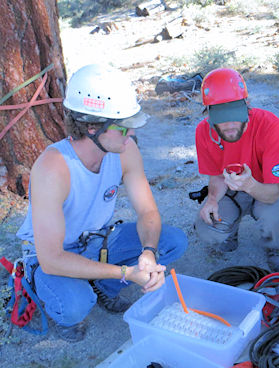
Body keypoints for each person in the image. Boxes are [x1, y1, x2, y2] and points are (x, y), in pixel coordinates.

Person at [16, 64, 188, 342]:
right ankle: (66, 304)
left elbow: (148, 212)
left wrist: (148, 252)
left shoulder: (124, 149)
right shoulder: (53, 168)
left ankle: (103, 287)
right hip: (51, 255)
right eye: (123, 127)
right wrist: (127, 272)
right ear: (92, 126)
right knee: (75, 305)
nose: (131, 135)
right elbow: (51, 259)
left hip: (96, 241)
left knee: (172, 241)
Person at [194, 68, 279, 272]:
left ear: (247, 106)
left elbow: (272, 194)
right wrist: (211, 200)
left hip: (264, 188)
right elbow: (216, 176)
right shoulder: (204, 131)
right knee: (206, 228)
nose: (229, 125)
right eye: (221, 117)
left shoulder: (270, 125)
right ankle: (230, 231)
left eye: (234, 115)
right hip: (230, 191)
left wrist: (249, 184)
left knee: (275, 214)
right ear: (209, 114)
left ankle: (275, 246)